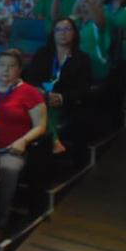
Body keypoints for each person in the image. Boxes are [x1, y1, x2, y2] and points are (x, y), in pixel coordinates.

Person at [0, 49, 47, 232]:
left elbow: (40, 126)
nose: (6, 70)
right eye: (2, 65)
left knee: (7, 169)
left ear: (20, 70)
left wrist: (23, 141)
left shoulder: (31, 93)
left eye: (11, 66)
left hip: (10, 149)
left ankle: (0, 219)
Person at [23, 18, 92, 154]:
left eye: (67, 29)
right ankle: (53, 141)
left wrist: (62, 98)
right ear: (53, 33)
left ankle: (49, 144)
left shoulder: (82, 59)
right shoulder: (42, 54)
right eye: (58, 29)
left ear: (74, 34)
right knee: (38, 107)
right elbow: (30, 78)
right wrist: (39, 91)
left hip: (66, 103)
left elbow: (83, 89)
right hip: (39, 98)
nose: (62, 33)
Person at [71, 0, 110, 80]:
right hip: (76, 67)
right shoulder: (76, 18)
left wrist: (86, 0)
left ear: (101, 0)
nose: (86, 1)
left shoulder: (104, 14)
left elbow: (99, 22)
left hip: (96, 66)